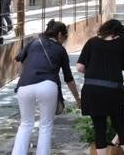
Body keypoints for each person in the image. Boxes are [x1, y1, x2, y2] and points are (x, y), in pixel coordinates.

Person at [12, 20, 80, 155]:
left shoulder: (33, 42)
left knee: (25, 124)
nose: (65, 40)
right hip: (47, 86)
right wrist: (77, 98)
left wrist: (26, 74)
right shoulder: (60, 49)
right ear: (60, 34)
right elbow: (69, 78)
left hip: (24, 86)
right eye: (65, 37)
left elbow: (18, 60)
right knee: (45, 126)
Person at [76, 19, 124, 155]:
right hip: (114, 91)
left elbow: (79, 67)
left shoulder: (92, 42)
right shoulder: (123, 42)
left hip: (92, 90)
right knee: (120, 126)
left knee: (99, 129)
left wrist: (94, 72)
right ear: (120, 32)